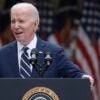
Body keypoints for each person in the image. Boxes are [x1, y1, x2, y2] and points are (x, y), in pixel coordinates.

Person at [0, 3, 94, 88]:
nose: (16, 26)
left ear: (35, 24)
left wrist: (84, 77)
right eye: (13, 21)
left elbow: (75, 74)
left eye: (21, 21)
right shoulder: (2, 54)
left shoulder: (54, 53)